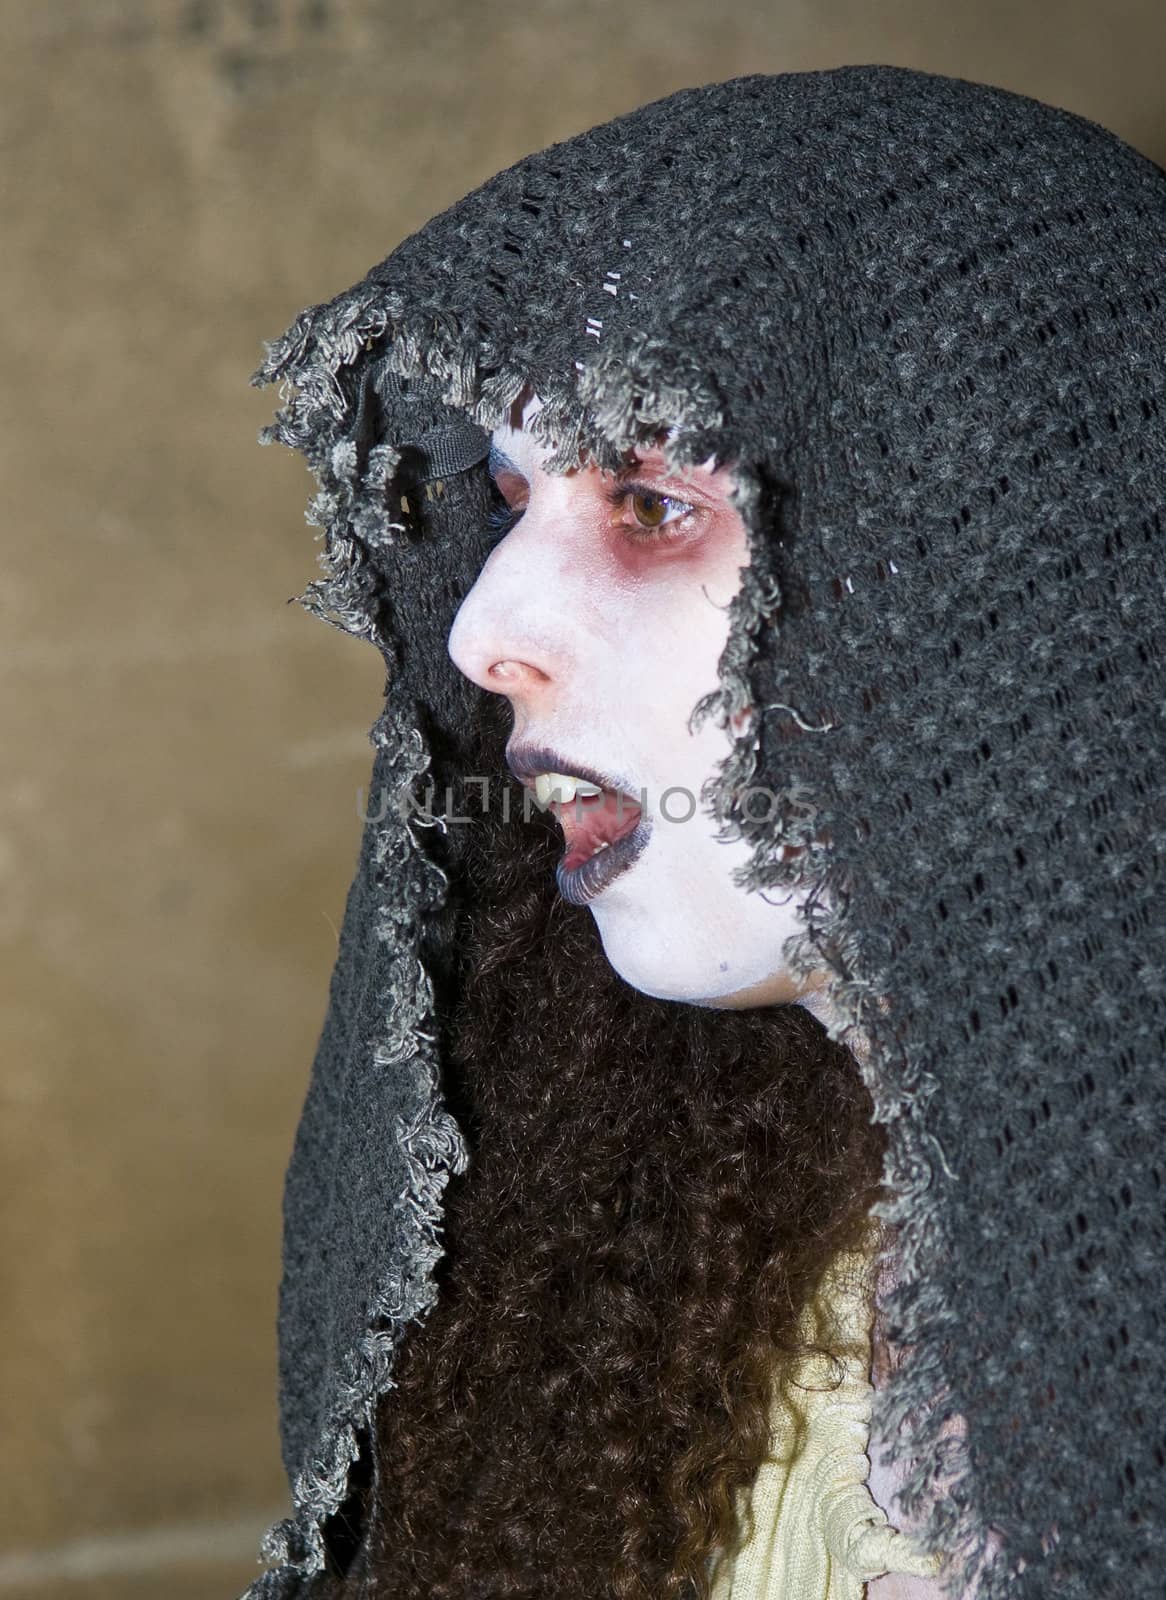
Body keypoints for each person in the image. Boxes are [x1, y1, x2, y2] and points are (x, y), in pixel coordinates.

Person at [243, 66, 1165, 1600]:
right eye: (505, 491)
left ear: (1021, 573)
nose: (483, 631)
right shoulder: (720, 1269)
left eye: (652, 505)